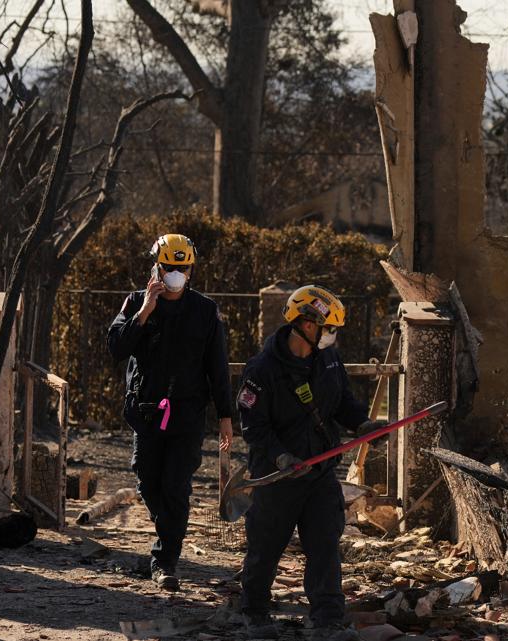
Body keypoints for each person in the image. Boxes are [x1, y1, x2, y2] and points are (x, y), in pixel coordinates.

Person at [236, 285, 380, 640]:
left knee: (325, 545)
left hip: (320, 473)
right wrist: (282, 456)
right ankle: (254, 612)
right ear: (305, 324)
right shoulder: (262, 370)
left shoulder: (328, 359)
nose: (332, 335)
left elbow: (342, 401)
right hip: (277, 477)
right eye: (327, 328)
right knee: (265, 547)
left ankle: (327, 619)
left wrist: (362, 424)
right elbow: (254, 426)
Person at [107, 233, 234, 591]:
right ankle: (170, 529)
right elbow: (116, 347)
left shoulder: (205, 311)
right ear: (156, 267)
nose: (176, 273)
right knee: (149, 483)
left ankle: (165, 562)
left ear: (191, 270)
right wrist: (145, 312)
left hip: (187, 416)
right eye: (169, 267)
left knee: (176, 487)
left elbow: (217, 366)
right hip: (145, 413)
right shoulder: (135, 302)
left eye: (182, 267)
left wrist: (226, 416)